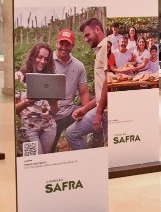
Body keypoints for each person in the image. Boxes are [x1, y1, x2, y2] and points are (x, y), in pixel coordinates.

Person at [64, 17, 107, 149]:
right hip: (101, 107)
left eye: (88, 35)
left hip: (106, 111)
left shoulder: (106, 47)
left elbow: (108, 82)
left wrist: (98, 114)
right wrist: (85, 109)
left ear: (98, 29)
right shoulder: (99, 50)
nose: (86, 39)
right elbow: (101, 91)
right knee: (71, 133)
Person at [50, 29, 91, 149]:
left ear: (72, 46)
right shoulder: (47, 62)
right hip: (51, 114)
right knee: (49, 150)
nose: (64, 47)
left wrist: (86, 112)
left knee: (90, 124)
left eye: (67, 44)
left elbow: (84, 92)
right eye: (61, 43)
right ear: (56, 43)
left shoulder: (78, 66)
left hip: (69, 112)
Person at [15, 42, 59, 155]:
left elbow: (55, 111)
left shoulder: (51, 78)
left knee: (44, 161)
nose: (42, 61)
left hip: (49, 127)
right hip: (28, 128)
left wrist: (53, 101)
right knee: (33, 161)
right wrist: (25, 103)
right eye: (40, 57)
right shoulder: (19, 77)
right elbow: (13, 110)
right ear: (32, 57)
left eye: (46, 59)